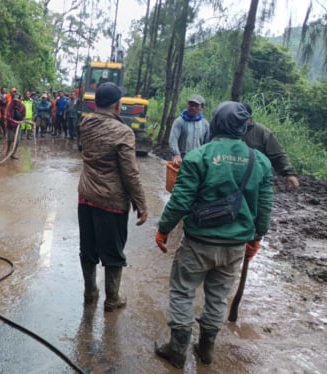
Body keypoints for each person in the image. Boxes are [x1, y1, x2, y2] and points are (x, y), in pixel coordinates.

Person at [154, 101, 274, 368]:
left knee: (183, 291)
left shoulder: (199, 157)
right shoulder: (260, 162)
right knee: (218, 297)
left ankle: (177, 348)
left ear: (215, 124)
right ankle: (205, 349)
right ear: (243, 127)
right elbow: (265, 206)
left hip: (199, 243)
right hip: (234, 247)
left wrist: (163, 230)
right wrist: (256, 238)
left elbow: (180, 201)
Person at [77, 83, 148, 312]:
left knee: (88, 248)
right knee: (113, 252)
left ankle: (90, 292)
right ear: (118, 104)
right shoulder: (123, 132)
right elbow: (130, 172)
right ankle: (112, 298)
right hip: (112, 202)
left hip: (86, 197)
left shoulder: (85, 123)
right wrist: (141, 203)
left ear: (96, 102)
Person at [241, 103, 300, 190]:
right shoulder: (226, 129)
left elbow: (277, 154)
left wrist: (289, 174)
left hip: (256, 176)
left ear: (249, 117)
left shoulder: (262, 132)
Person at [169, 95, 210, 166]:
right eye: (191, 105)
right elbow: (173, 139)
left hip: (197, 161)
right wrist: (177, 154)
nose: (193, 107)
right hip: (181, 160)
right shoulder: (180, 121)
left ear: (202, 107)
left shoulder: (205, 124)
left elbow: (207, 144)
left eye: (196, 105)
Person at [4, 92, 26, 159]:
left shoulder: (23, 106)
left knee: (17, 141)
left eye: (17, 100)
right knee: (10, 139)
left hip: (18, 126)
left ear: (20, 100)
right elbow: (8, 117)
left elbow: (24, 116)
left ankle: (13, 154)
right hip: (10, 125)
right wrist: (15, 121)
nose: (15, 102)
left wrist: (22, 121)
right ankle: (8, 151)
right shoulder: (10, 106)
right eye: (14, 100)